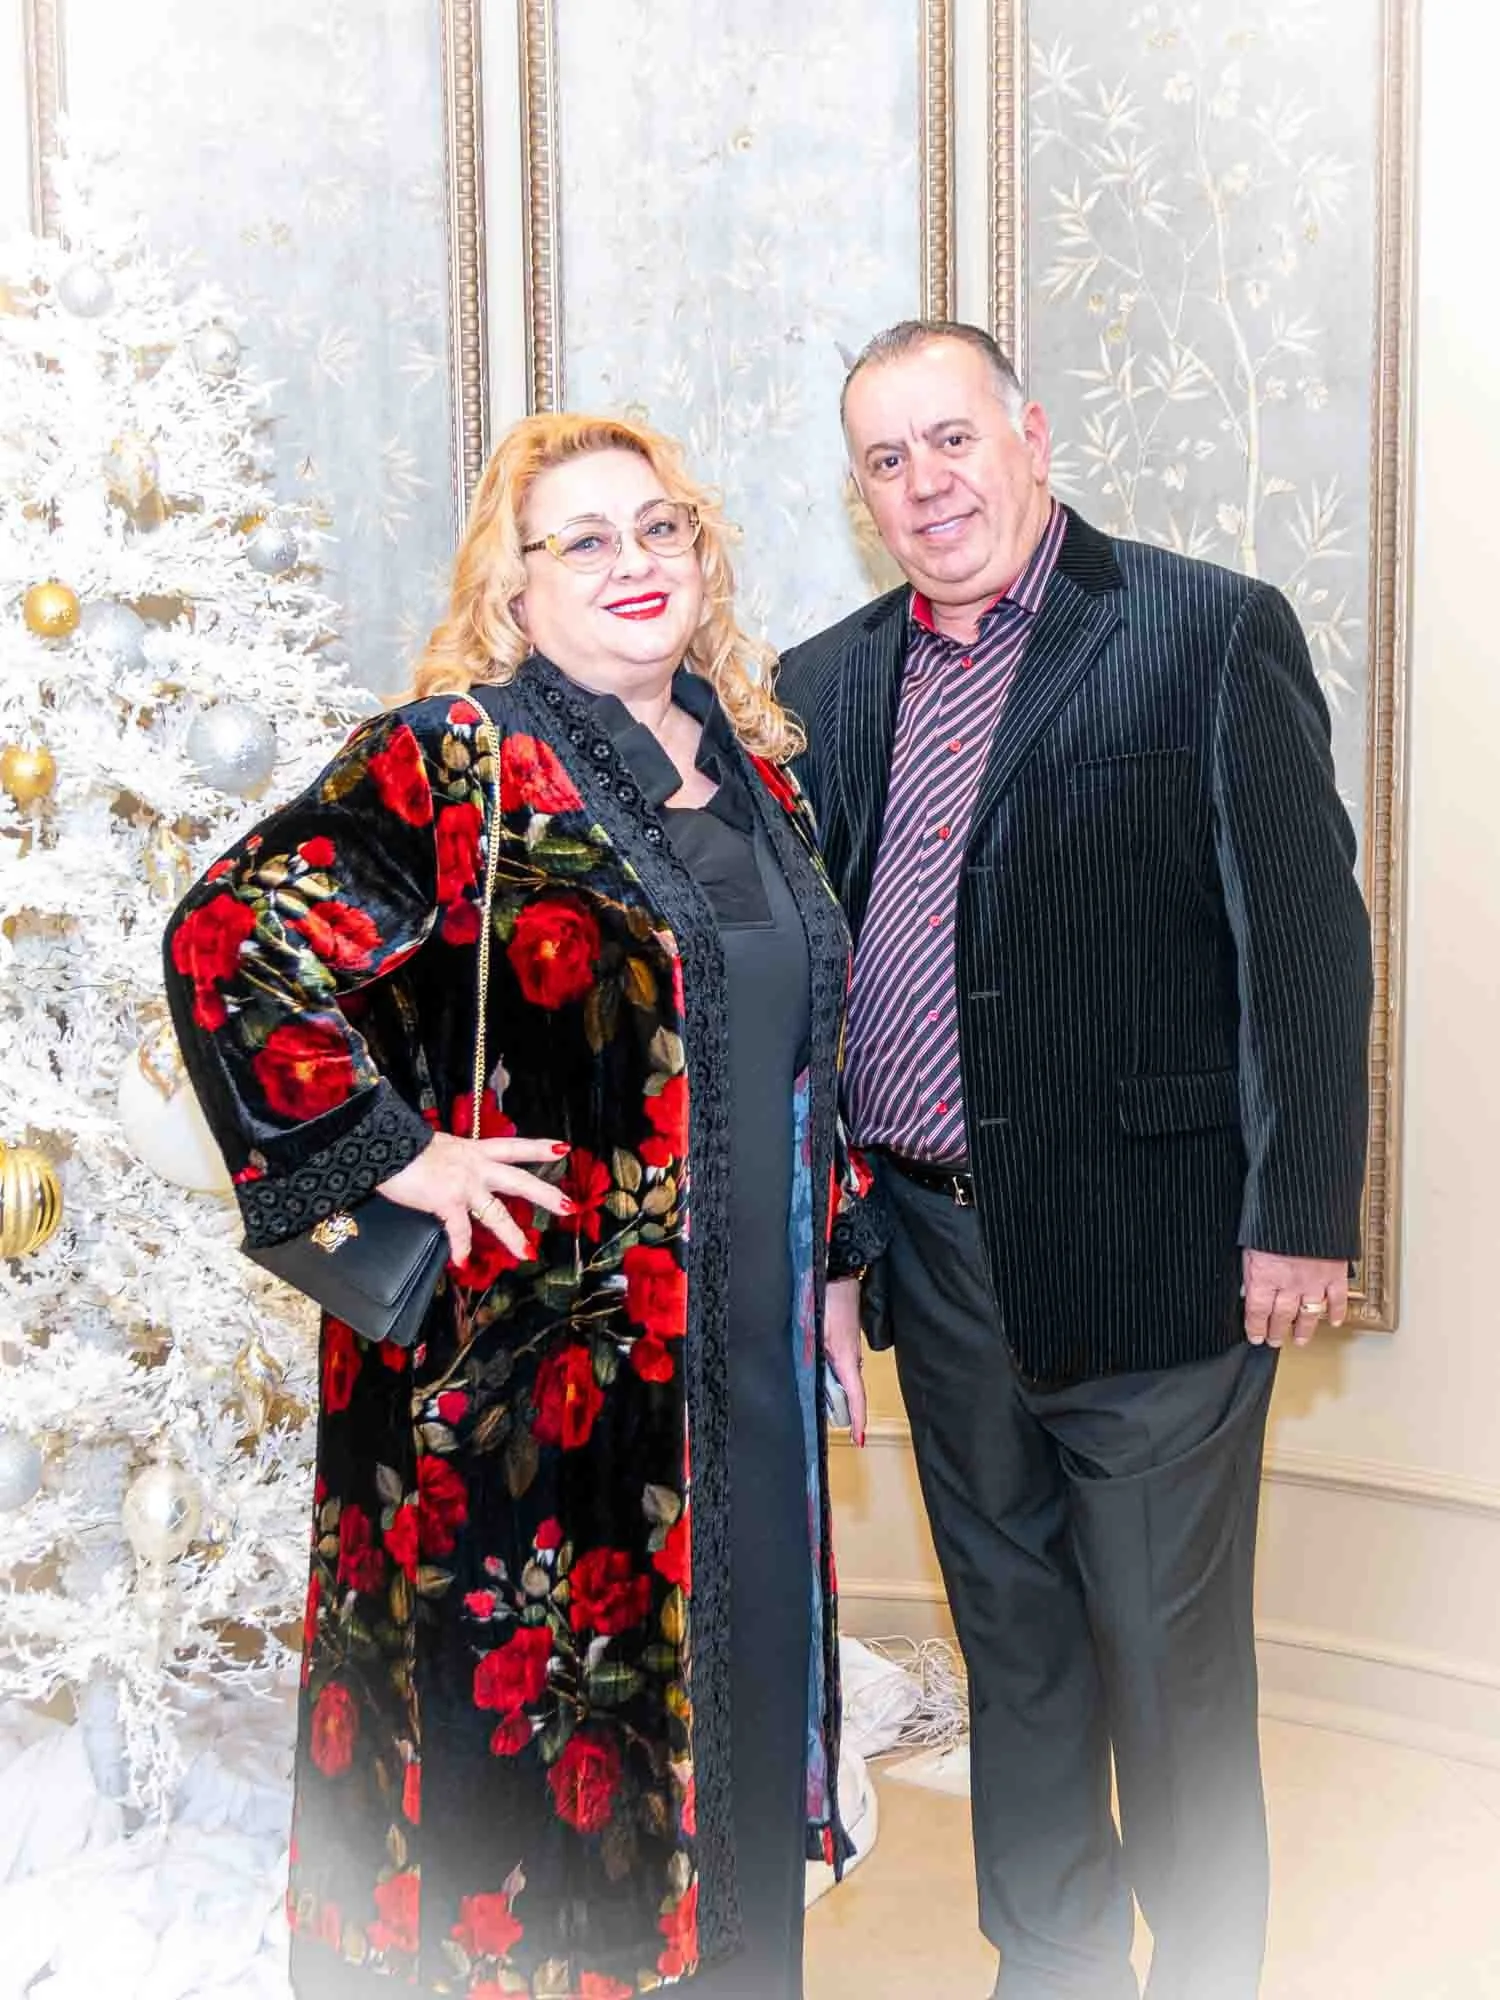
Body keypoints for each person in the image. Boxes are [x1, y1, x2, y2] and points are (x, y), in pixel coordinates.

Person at [164, 412, 873, 1999]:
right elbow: (229, 938)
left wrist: (834, 1262)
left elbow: (801, 1057)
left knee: (740, 1728)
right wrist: (395, 1154)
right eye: (586, 540)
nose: (635, 564)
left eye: (662, 528)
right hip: (531, 1383)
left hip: (739, 1372)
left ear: (704, 555)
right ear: (516, 585)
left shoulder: (762, 778)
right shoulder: (456, 756)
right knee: (548, 1757)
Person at [776, 320, 1373, 2000]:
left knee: (1171, 1672)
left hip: (1163, 1256)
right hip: (940, 1260)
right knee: (1017, 1657)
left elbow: (1308, 950)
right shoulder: (825, 683)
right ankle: (1049, 1971)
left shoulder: (1202, 630)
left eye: (951, 439)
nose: (926, 484)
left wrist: (1300, 1217)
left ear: (1030, 436)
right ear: (863, 493)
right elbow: (818, 988)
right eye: (888, 460)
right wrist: (835, 1247)